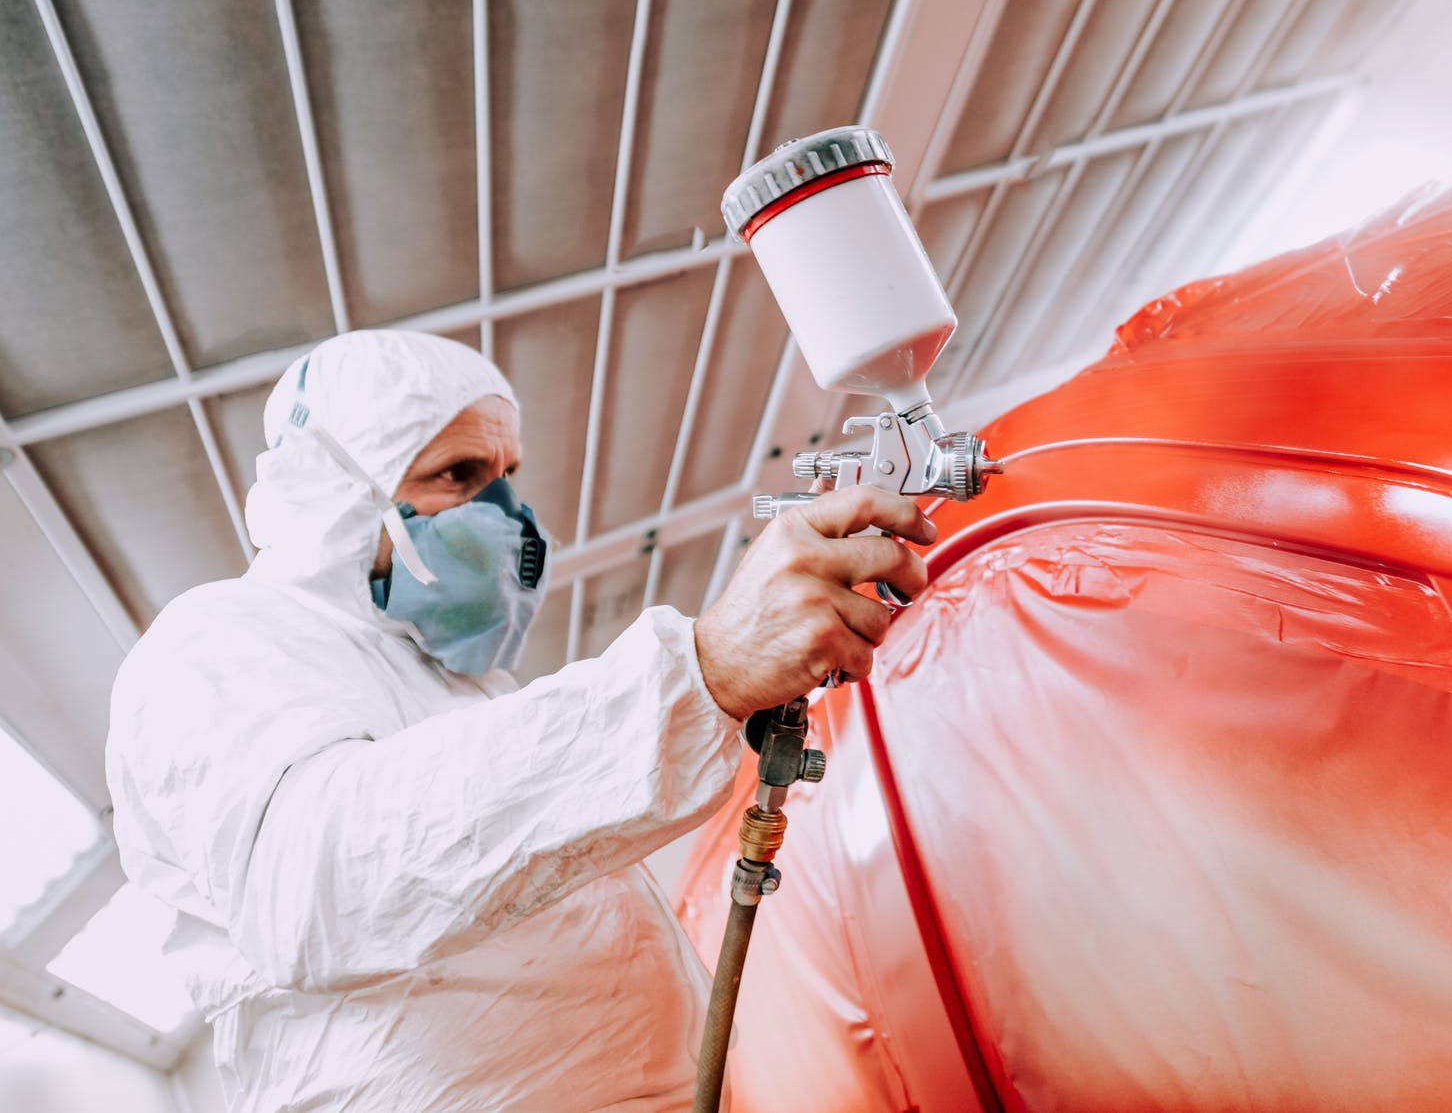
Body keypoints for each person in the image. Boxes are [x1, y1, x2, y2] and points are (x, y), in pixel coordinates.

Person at [104, 329, 933, 1112]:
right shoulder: (218, 640)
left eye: (506, 474)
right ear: (338, 490)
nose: (506, 518)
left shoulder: (464, 693)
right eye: (460, 475)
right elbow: (317, 880)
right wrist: (700, 673)